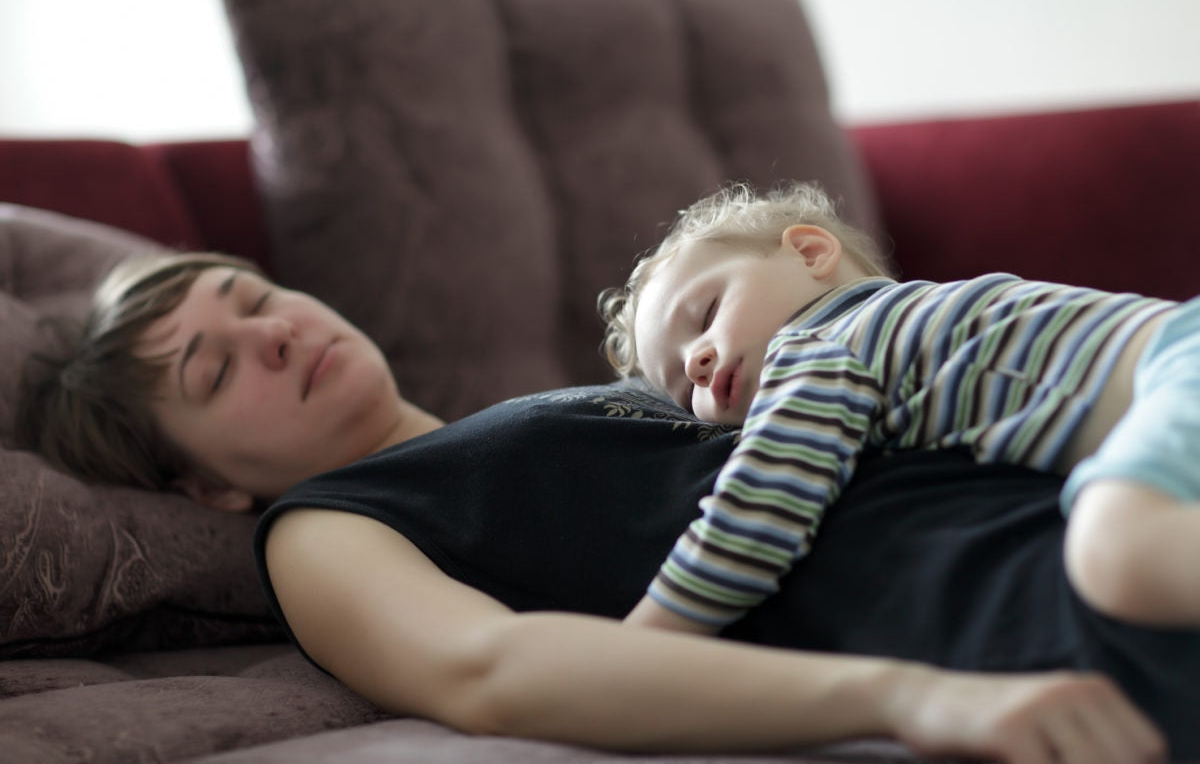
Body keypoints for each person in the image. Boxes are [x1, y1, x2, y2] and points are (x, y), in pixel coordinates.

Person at [17, 250, 1187, 762]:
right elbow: (492, 670)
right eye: (216, 369)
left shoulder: (591, 390)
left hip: (1116, 484)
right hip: (1043, 612)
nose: (273, 332)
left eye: (253, 296)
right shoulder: (329, 526)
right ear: (208, 487)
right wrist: (909, 695)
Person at [599, 180, 1200, 641]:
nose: (698, 363)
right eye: (684, 390)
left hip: (1175, 366)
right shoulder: (910, 336)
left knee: (1114, 553)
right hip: (1175, 356)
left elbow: (757, 513)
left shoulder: (819, 342)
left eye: (706, 314)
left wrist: (641, 641)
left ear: (809, 252)